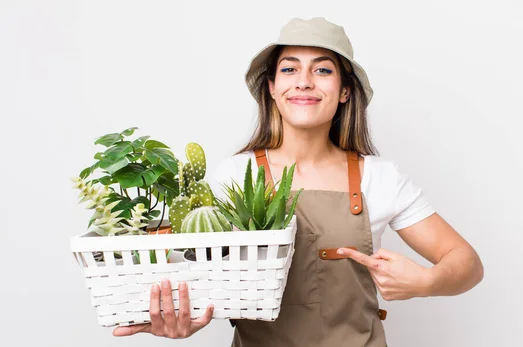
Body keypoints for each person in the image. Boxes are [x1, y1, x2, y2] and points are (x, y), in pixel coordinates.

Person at [113, 17, 484, 345]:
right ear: (271, 88)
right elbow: (199, 274)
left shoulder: (380, 178)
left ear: (344, 91)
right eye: (289, 70)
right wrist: (185, 317)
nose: (304, 82)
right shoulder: (233, 175)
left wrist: (426, 283)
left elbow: (467, 263)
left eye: (322, 70)